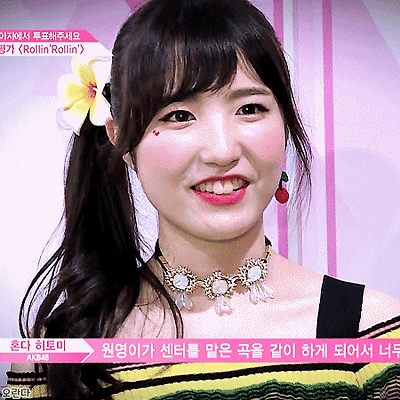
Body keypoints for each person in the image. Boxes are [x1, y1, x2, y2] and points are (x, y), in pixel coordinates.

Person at [7, 0, 400, 398]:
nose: (222, 151)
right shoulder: (55, 355)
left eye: (249, 108)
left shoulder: (376, 333)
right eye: (178, 115)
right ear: (120, 139)